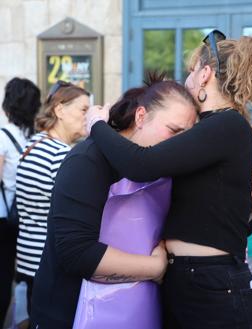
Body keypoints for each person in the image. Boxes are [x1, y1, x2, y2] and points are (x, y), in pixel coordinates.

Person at [88, 31, 252, 329]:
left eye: (191, 71)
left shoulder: (227, 125)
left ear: (205, 75)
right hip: (196, 279)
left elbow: (139, 164)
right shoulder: (216, 127)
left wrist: (97, 124)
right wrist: (249, 212)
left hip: (211, 282)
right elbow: (214, 213)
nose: (187, 78)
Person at [30, 74, 197, 329]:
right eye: (173, 131)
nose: (180, 144)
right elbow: (76, 253)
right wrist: (154, 267)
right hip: (69, 312)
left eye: (188, 136)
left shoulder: (166, 167)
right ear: (141, 117)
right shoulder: (87, 160)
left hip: (136, 311)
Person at [15, 80, 90, 323]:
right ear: (60, 110)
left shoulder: (31, 145)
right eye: (83, 109)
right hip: (47, 262)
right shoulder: (61, 155)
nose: (88, 116)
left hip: (26, 255)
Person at [0, 77, 41, 329]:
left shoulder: (3, 137)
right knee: (20, 275)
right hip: (26, 219)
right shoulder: (36, 139)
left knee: (3, 275)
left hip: (4, 217)